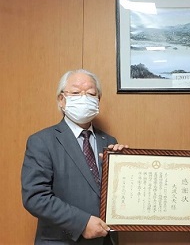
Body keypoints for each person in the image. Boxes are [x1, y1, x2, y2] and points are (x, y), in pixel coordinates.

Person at [21, 69, 126, 245]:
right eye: (76, 93)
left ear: (98, 100)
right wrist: (82, 223)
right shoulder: (41, 141)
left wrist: (126, 166)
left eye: (91, 93)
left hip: (105, 240)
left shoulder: (109, 141)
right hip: (61, 240)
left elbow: (117, 196)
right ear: (61, 100)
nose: (84, 98)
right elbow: (35, 197)